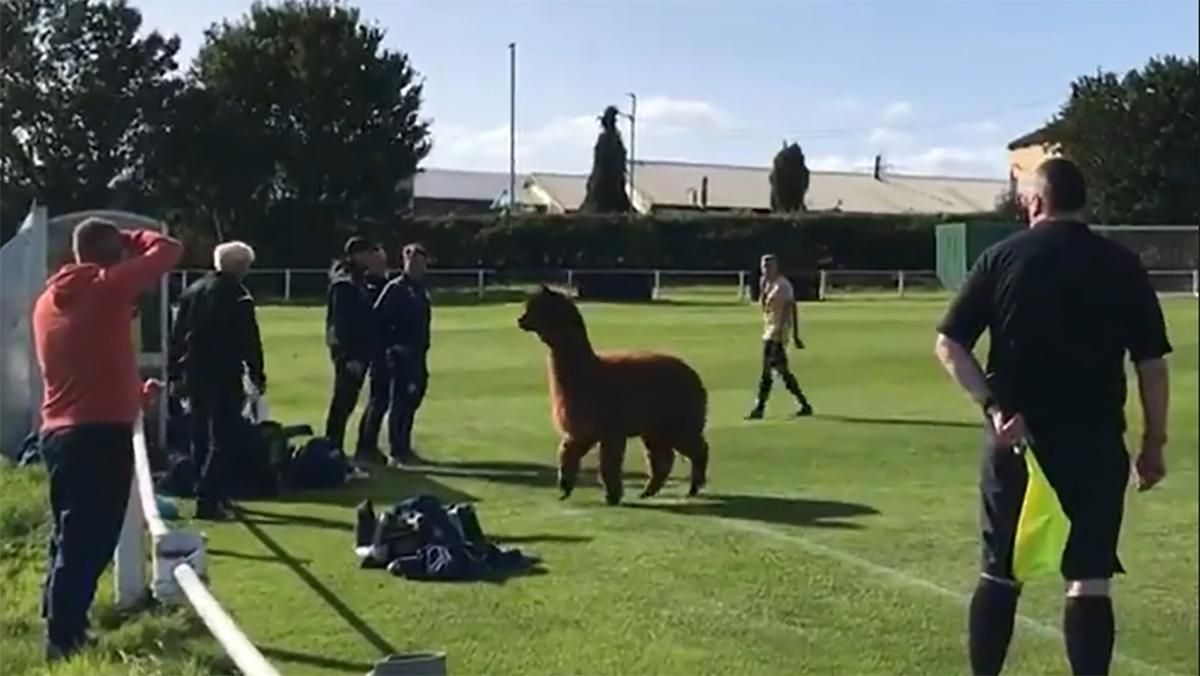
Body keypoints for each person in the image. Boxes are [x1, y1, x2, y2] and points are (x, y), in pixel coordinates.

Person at [934, 158, 1171, 676]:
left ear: (1037, 202)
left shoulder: (1002, 258)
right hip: (1096, 442)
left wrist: (993, 406)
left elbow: (949, 344)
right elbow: (1151, 364)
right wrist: (1154, 442)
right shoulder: (1121, 265)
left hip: (1018, 441)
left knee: (1000, 572)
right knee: (1089, 577)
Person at [33, 218, 183, 660]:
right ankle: (64, 640)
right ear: (114, 255)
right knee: (91, 540)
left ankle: (60, 620)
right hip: (98, 435)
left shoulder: (47, 301)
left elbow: (84, 365)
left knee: (68, 535)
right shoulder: (106, 287)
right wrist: (132, 236)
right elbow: (169, 249)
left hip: (59, 432)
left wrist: (133, 396)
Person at [169, 241, 266, 520]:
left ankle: (206, 487)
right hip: (223, 371)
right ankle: (209, 497)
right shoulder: (238, 295)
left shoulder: (193, 290)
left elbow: (177, 335)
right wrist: (256, 372)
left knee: (199, 433)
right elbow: (249, 337)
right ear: (239, 266)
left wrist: (174, 371)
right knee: (223, 436)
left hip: (193, 371)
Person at [360, 243, 432, 466]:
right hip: (397, 357)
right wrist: (390, 348)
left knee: (410, 401)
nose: (416, 266)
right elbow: (377, 322)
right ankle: (396, 450)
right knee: (396, 402)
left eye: (420, 262)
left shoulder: (420, 290)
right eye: (412, 262)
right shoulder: (395, 289)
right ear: (405, 262)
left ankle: (403, 446)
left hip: (417, 355)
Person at [324, 237, 379, 455]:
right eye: (368, 253)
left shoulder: (356, 279)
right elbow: (342, 324)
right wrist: (348, 357)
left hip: (357, 352)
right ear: (357, 254)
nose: (372, 258)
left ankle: (334, 448)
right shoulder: (345, 284)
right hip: (350, 354)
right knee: (343, 402)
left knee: (346, 401)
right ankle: (332, 448)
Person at [746, 254, 813, 419]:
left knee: (767, 372)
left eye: (769, 266)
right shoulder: (766, 284)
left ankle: (760, 408)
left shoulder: (783, 286)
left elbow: (791, 309)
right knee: (782, 372)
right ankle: (804, 405)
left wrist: (794, 335)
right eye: (764, 266)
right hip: (768, 331)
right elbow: (764, 307)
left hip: (777, 334)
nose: (766, 270)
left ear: (776, 267)